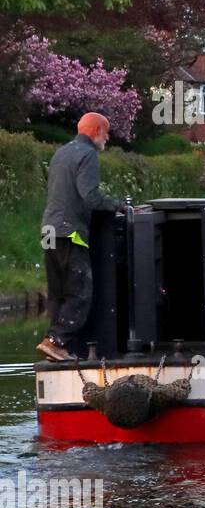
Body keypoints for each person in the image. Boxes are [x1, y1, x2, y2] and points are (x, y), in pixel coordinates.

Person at [36, 113, 126, 361]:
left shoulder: (61, 153)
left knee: (58, 292)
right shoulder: (88, 155)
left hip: (49, 229)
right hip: (70, 231)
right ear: (96, 131)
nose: (107, 138)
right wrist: (119, 206)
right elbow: (91, 196)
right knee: (81, 292)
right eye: (106, 132)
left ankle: (56, 348)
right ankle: (56, 340)